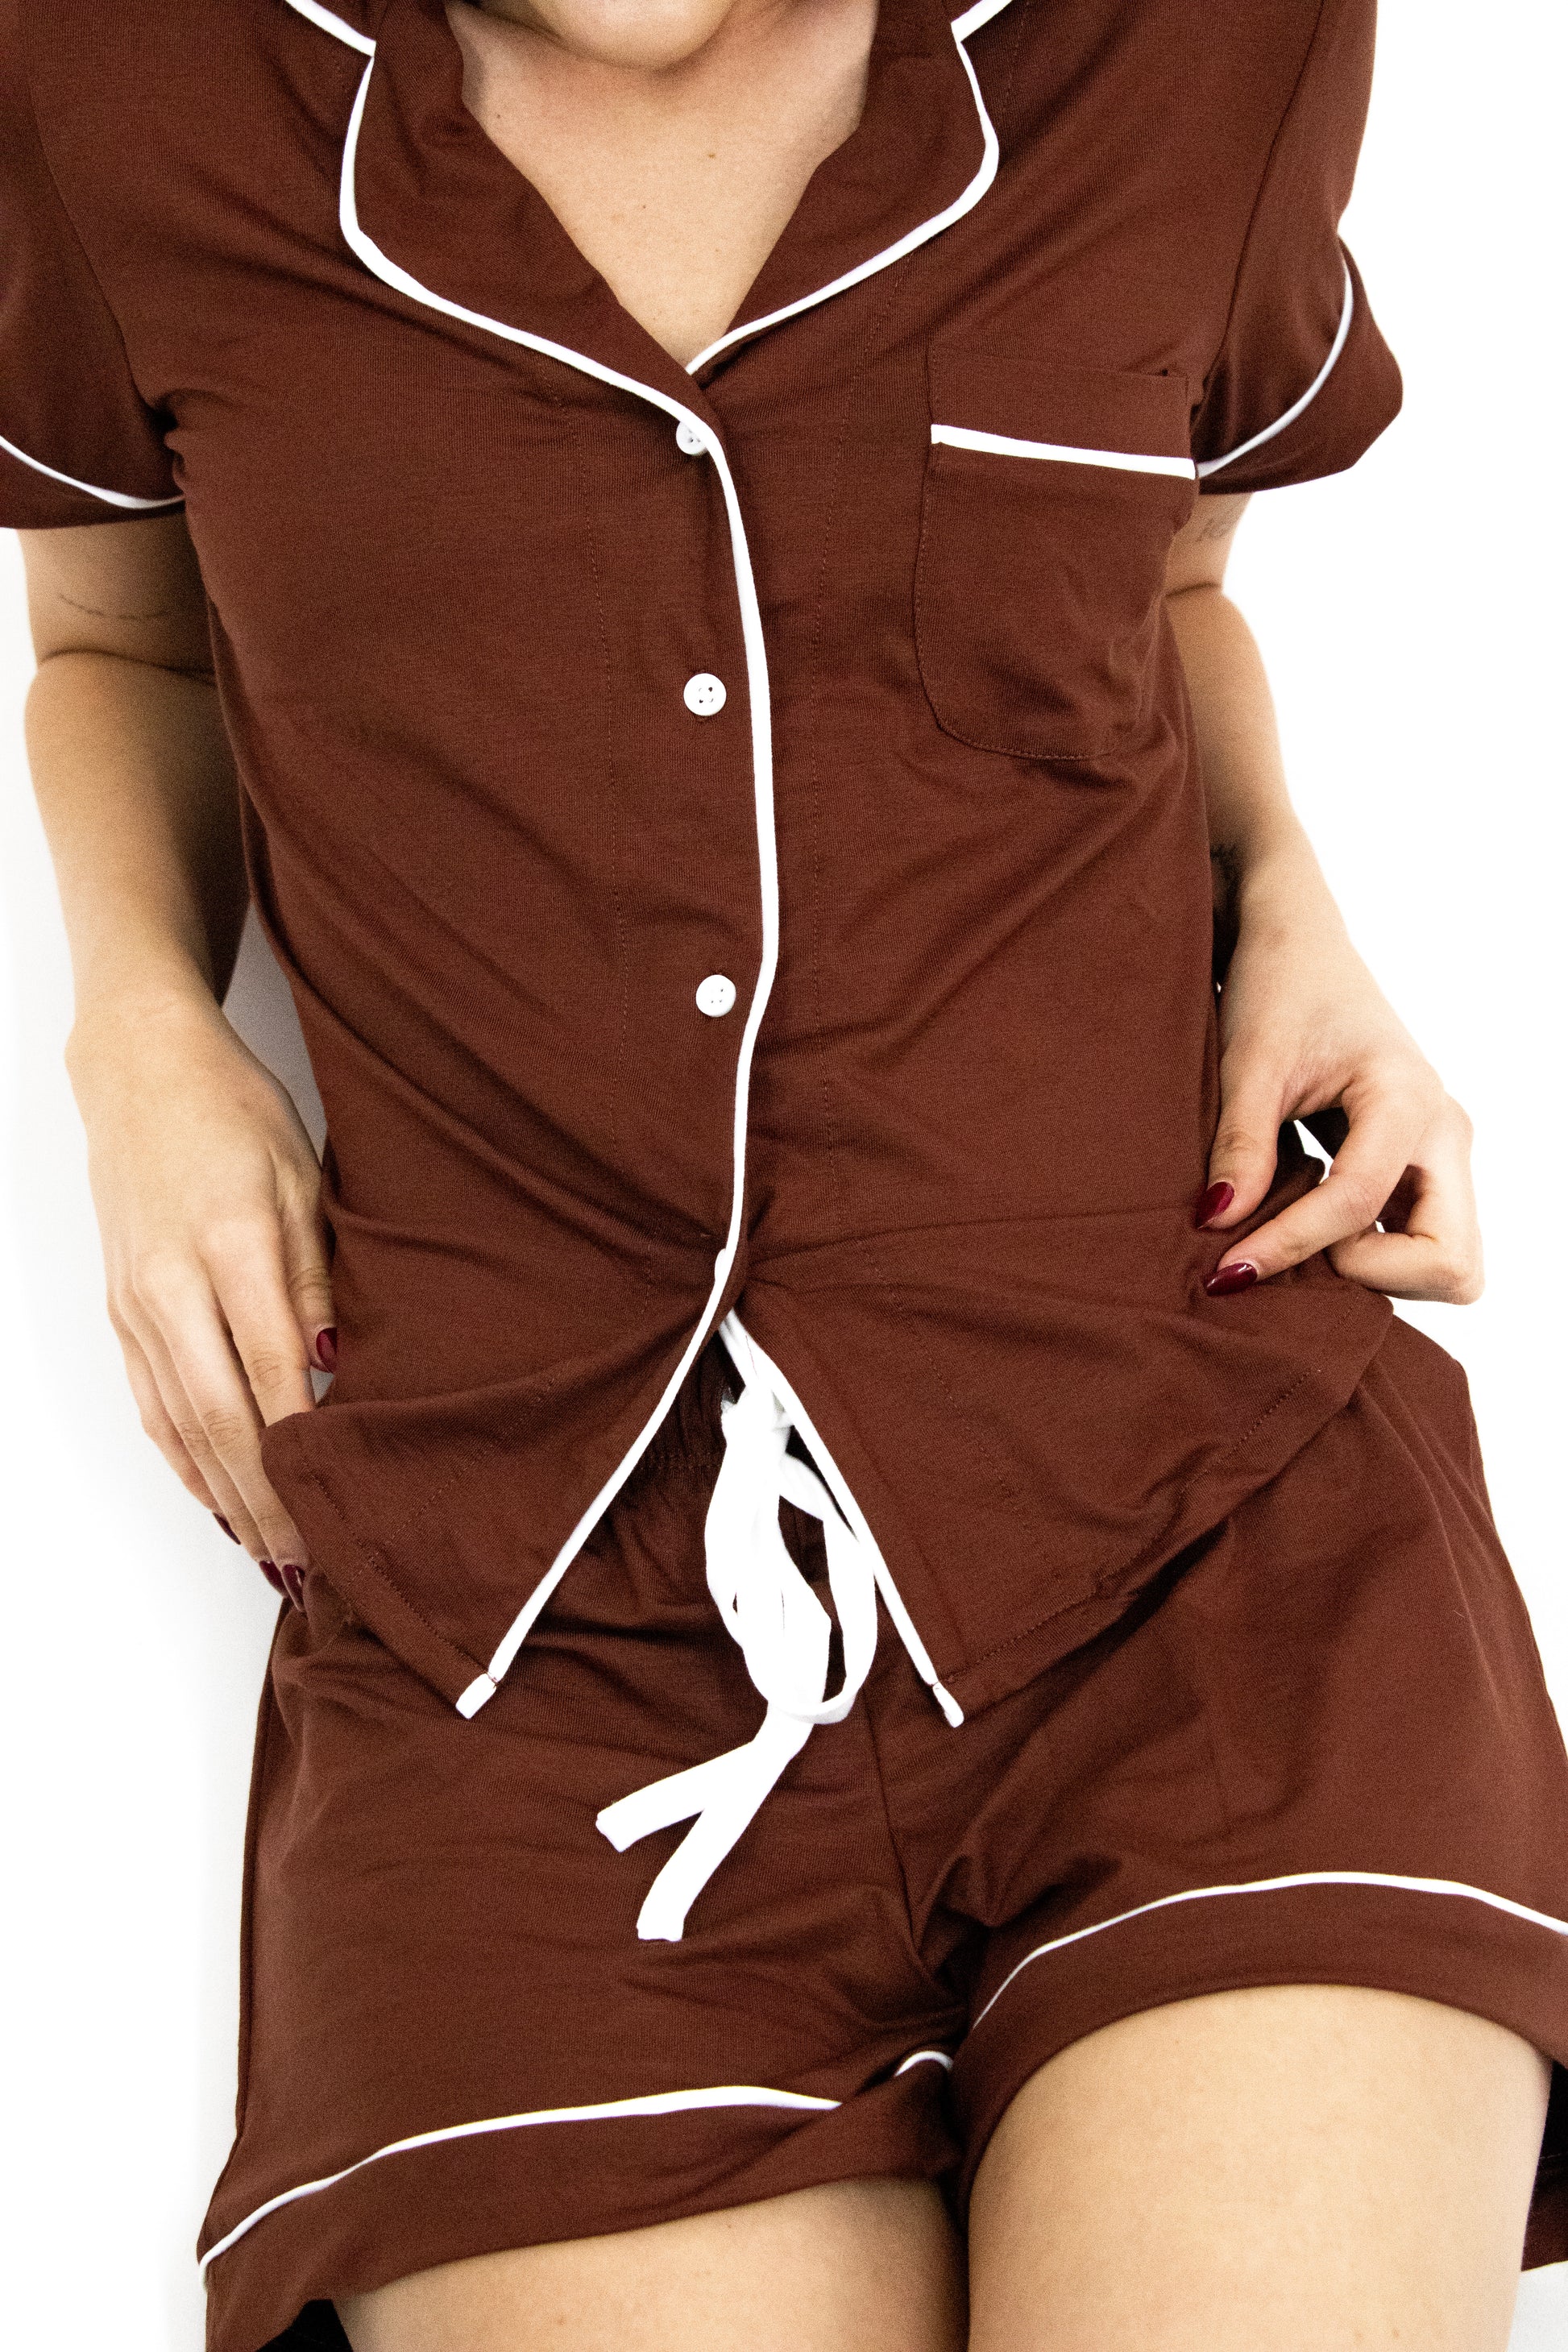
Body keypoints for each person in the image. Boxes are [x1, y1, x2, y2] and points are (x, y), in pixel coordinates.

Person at [4, 0, 1566, 2345]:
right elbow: (121, 637)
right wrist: (139, 1032)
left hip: (1205, 1519)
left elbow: (1161, 588)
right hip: (527, 1609)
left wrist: (1292, 907)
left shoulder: (1203, 40)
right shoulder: (111, 68)